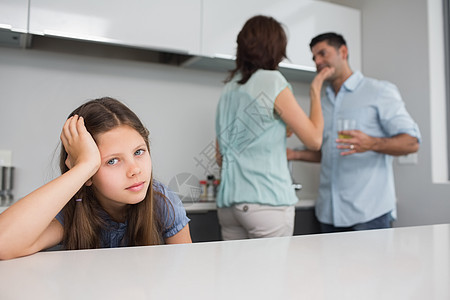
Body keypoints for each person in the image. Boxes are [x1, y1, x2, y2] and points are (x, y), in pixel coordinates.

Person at [0, 97, 191, 260]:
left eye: (139, 152)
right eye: (113, 161)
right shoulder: (73, 208)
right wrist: (84, 167)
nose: (135, 170)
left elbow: (186, 275)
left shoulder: (163, 202)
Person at [287, 32, 421, 233]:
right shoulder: (323, 103)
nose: (318, 61)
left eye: (323, 53)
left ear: (343, 51)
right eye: (314, 57)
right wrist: (294, 154)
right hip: (328, 214)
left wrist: (372, 143)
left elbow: (412, 142)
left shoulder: (379, 91)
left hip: (368, 215)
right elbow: (329, 153)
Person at [215, 15, 334, 240]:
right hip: (267, 204)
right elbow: (315, 140)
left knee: (236, 275)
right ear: (276, 47)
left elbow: (221, 157)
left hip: (229, 207)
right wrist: (316, 88)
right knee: (271, 275)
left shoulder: (228, 89)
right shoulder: (272, 80)